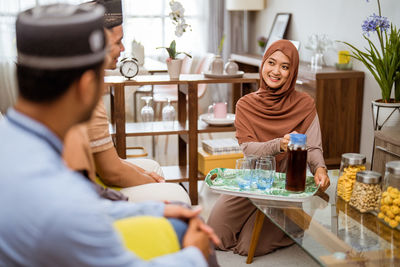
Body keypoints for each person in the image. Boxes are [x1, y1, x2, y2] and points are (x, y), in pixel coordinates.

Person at [0, 4, 219, 266]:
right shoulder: (62, 200)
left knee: (180, 215)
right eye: (101, 74)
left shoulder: (13, 140)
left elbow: (85, 209)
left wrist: (155, 208)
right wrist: (195, 254)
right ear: (86, 86)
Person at [207, 40, 330, 256]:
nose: (276, 71)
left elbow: (312, 146)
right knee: (216, 236)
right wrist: (279, 144)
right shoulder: (245, 104)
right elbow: (248, 149)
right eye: (271, 63)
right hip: (252, 178)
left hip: (285, 183)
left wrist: (320, 168)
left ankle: (296, 223)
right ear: (263, 64)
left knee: (248, 247)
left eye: (284, 67)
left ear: (292, 72)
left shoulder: (305, 104)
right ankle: (260, 214)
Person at [63, 0, 190, 204]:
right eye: (117, 42)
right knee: (177, 194)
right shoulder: (86, 93)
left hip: (92, 175)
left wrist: (148, 177)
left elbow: (105, 160)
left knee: (154, 168)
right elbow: (111, 172)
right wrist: (155, 184)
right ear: (95, 45)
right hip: (87, 193)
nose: (123, 49)